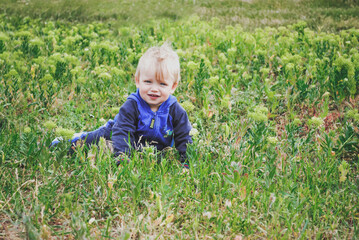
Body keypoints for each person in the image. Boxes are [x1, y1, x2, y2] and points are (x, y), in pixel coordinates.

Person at [52, 43, 193, 168]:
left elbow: (184, 137)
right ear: (138, 81)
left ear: (173, 86)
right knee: (89, 143)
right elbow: (123, 132)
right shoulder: (132, 105)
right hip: (116, 133)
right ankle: (68, 141)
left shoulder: (175, 110)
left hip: (146, 146)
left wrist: (185, 162)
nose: (154, 89)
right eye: (148, 82)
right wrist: (122, 158)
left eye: (162, 84)